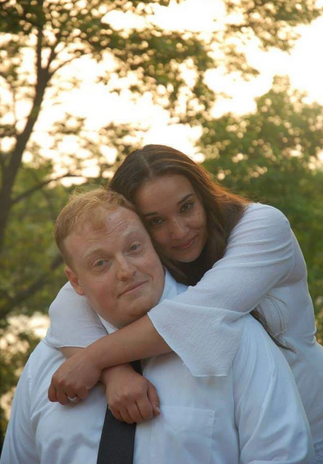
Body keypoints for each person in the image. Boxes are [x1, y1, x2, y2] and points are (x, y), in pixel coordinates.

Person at [46, 145, 323, 461]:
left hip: (314, 428)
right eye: (156, 221)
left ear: (202, 193)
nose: (178, 231)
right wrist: (116, 373)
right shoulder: (144, 257)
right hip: (237, 426)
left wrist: (93, 361)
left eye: (187, 207)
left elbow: (196, 318)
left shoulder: (263, 226)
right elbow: (68, 304)